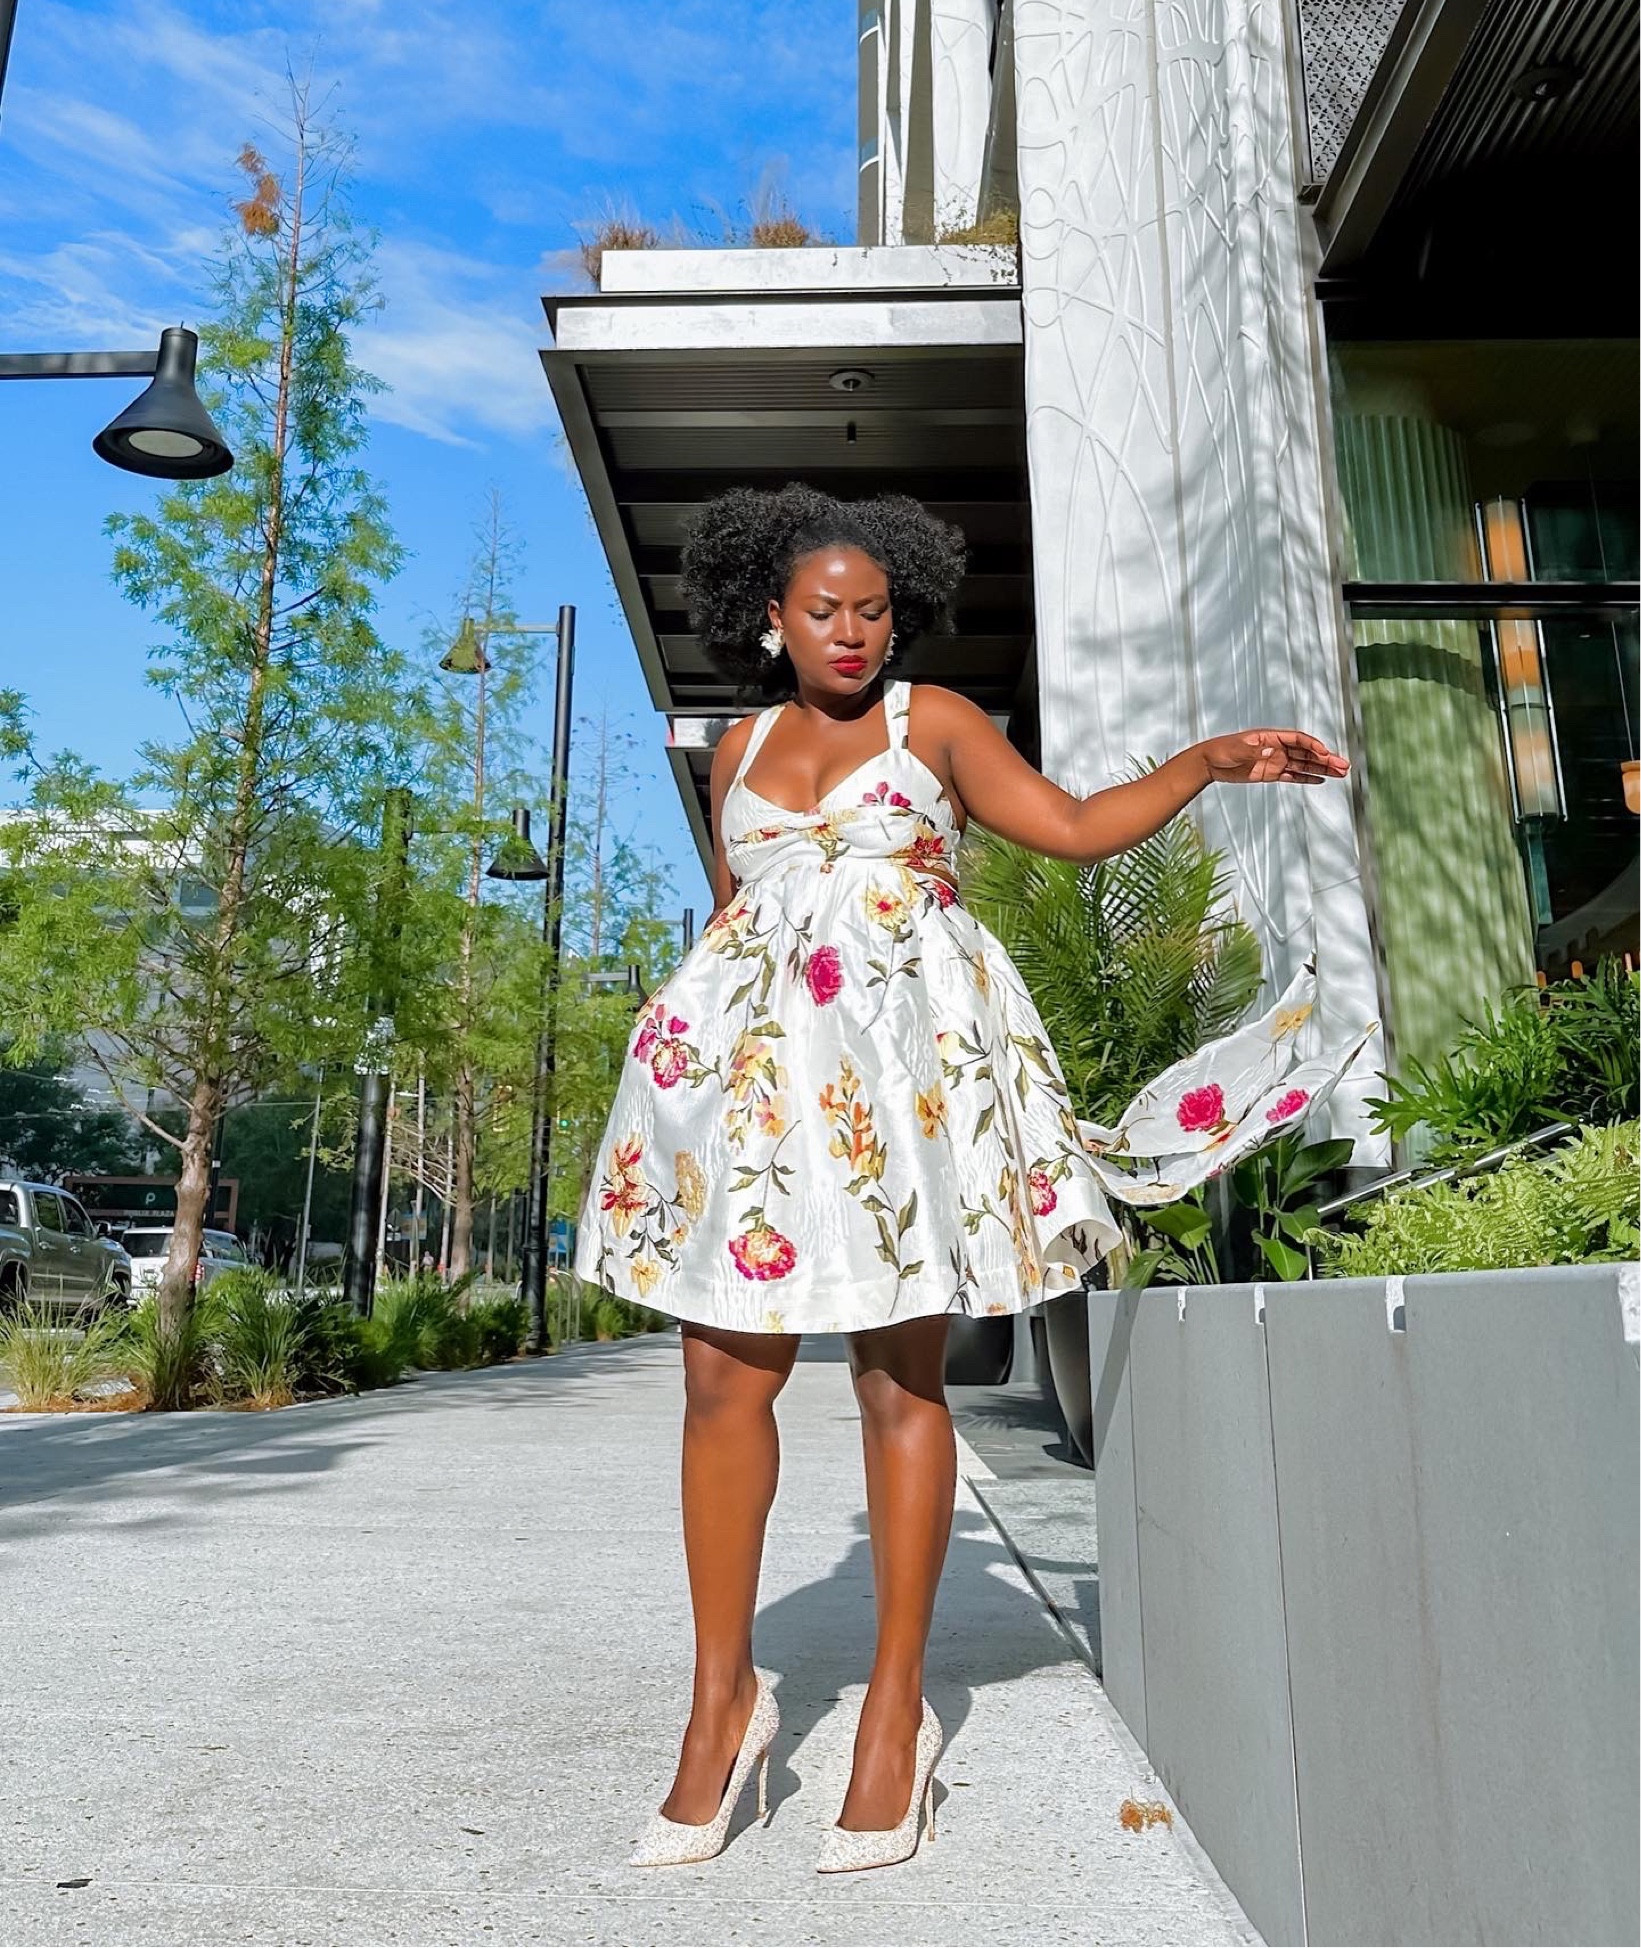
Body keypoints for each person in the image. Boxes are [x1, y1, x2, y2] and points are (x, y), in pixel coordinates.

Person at [573, 483, 1349, 1873]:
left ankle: (892, 1717)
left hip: (899, 1089)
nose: (853, 630)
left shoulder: (928, 722)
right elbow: (743, 913)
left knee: (897, 1380)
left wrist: (1207, 759)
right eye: (826, 609)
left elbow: (1072, 826)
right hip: (750, 1093)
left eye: (875, 610)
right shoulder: (737, 745)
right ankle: (720, 1706)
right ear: (770, 617)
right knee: (719, 1380)